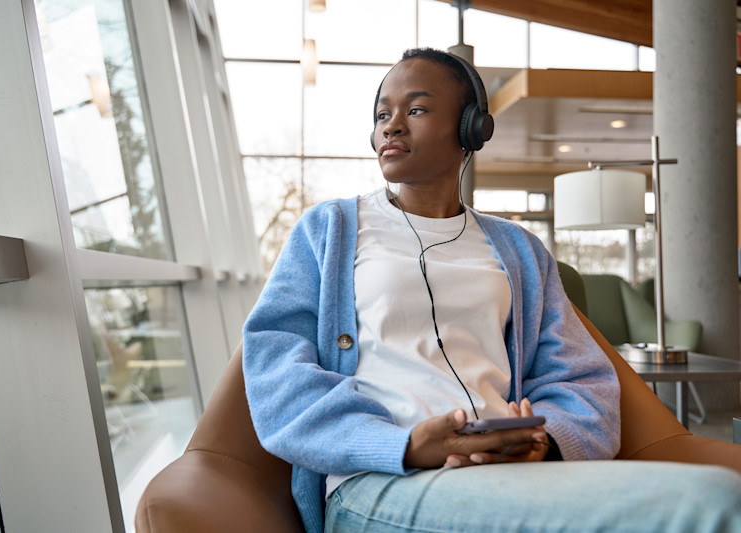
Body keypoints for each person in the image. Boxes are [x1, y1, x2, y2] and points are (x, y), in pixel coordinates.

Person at [242, 48, 741, 533]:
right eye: (382, 114)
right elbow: (275, 371)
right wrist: (403, 446)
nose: (391, 125)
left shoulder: (518, 250)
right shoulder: (327, 231)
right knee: (713, 502)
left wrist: (546, 441)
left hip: (514, 472)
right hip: (381, 483)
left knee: (718, 493)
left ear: (471, 129)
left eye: (415, 109)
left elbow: (582, 378)